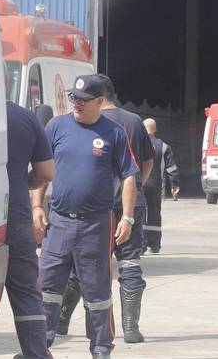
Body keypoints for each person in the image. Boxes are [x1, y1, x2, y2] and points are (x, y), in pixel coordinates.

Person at [32, 74, 139, 359]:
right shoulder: (57, 127)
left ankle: (101, 347)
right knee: (47, 285)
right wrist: (37, 206)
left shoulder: (114, 133)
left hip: (96, 225)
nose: (76, 104)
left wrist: (127, 218)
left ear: (100, 102)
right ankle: (39, 346)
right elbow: (42, 169)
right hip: (58, 222)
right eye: (74, 98)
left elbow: (129, 176)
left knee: (96, 291)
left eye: (83, 100)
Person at [56, 75, 154, 344]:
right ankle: (130, 328)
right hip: (129, 206)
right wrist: (134, 189)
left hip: (94, 207)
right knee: (130, 263)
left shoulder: (89, 122)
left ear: (99, 98)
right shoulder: (133, 121)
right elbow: (147, 162)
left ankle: (61, 321)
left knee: (83, 265)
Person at [5, 100, 56, 359]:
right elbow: (46, 173)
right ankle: (37, 354)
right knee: (26, 292)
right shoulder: (24, 117)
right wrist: (19, 181)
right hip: (14, 215)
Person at [141, 118, 179, 254]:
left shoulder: (136, 144)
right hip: (155, 185)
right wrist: (175, 184)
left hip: (139, 184)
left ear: (142, 129)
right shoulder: (164, 146)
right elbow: (171, 168)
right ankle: (154, 245)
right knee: (154, 213)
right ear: (155, 129)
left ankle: (141, 245)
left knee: (139, 213)